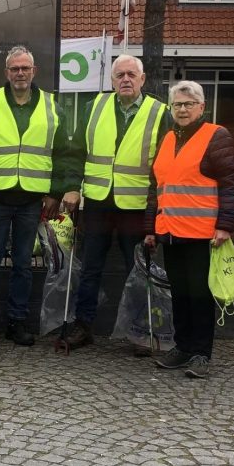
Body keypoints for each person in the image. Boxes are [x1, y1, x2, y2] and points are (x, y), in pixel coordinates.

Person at [0, 45, 79, 349]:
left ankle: (17, 323)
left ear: (34, 71)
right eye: (15, 68)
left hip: (32, 200)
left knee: (24, 265)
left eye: (25, 68)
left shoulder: (52, 107)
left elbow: (64, 155)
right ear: (7, 72)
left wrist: (55, 193)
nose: (20, 73)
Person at [63, 54, 170, 351]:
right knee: (90, 268)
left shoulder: (160, 113)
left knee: (138, 270)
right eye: (120, 75)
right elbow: (76, 151)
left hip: (137, 206)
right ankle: (83, 326)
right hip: (97, 202)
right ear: (111, 81)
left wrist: (157, 205)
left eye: (131, 75)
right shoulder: (94, 107)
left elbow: (165, 164)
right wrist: (72, 187)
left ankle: (142, 331)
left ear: (142, 79)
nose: (125, 80)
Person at [144, 80, 234, 379]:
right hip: (170, 231)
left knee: (200, 295)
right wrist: (150, 228)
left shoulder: (216, 136)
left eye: (188, 104)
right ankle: (183, 347)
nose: (182, 109)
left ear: (202, 107)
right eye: (177, 105)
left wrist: (225, 225)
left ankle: (201, 353)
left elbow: (229, 183)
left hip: (202, 234)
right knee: (180, 294)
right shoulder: (168, 138)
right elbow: (156, 187)